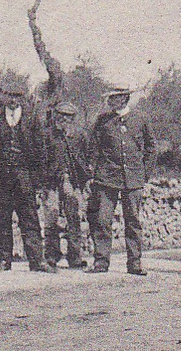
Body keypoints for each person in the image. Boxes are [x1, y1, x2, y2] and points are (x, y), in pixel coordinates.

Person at [0, 83, 51, 272]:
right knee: (1, 219)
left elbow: (41, 151)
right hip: (1, 178)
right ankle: (4, 260)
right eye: (9, 95)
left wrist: (38, 180)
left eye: (17, 96)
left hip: (24, 177)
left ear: (22, 97)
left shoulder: (31, 119)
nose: (13, 99)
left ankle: (36, 260)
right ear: (3, 95)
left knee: (30, 218)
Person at [87, 85, 155, 276]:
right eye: (110, 98)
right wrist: (93, 171)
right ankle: (101, 261)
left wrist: (144, 173)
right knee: (102, 220)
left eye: (114, 98)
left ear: (124, 99)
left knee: (132, 221)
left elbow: (151, 148)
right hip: (106, 179)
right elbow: (93, 147)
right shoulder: (102, 121)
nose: (110, 102)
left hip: (133, 179)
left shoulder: (140, 119)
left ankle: (134, 263)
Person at [42, 100, 90, 270]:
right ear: (56, 116)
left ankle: (75, 257)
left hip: (73, 181)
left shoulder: (79, 136)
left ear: (73, 118)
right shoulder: (47, 135)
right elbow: (42, 160)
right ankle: (51, 256)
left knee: (74, 218)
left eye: (68, 116)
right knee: (51, 218)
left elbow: (86, 158)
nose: (64, 119)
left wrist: (84, 182)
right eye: (61, 115)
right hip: (52, 182)